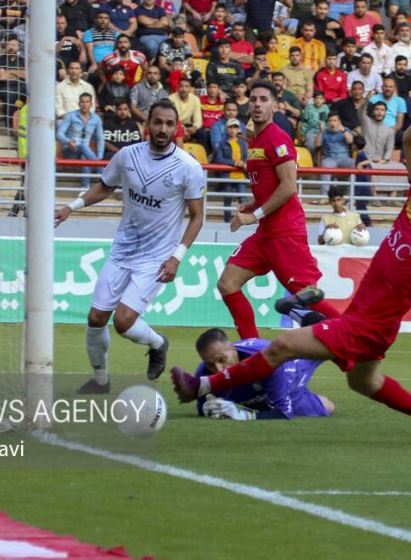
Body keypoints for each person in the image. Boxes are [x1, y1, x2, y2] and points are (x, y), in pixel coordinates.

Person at [171, 93, 411, 444]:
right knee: (364, 382)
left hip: (368, 326)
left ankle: (200, 385)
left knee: (282, 347)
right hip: (369, 320)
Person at [55, 99, 204, 393]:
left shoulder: (189, 167)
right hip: (122, 251)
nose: (163, 129)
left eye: (169, 124)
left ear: (177, 128)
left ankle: (158, 343)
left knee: (123, 322)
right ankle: (100, 381)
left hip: (156, 258)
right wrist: (71, 207)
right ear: (147, 124)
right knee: (96, 318)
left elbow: (197, 217)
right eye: (158, 122)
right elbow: (105, 187)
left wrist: (177, 257)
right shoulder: (127, 156)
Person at [214, 80, 344, 341]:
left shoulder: (278, 138)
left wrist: (254, 215)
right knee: (227, 283)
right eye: (253, 99)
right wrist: (254, 204)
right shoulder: (255, 140)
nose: (257, 104)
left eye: (263, 99)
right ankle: (250, 348)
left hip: (285, 232)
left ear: (275, 105)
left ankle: (354, 332)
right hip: (266, 234)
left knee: (307, 296)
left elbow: (288, 187)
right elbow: (270, 186)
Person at [193, 328, 334, 420]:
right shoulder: (204, 375)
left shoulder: (267, 362)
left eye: (222, 360)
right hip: (269, 393)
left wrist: (242, 415)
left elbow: (284, 413)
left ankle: (306, 316)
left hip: (292, 368)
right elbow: (203, 407)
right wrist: (209, 406)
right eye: (211, 364)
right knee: (328, 407)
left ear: (233, 349)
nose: (218, 370)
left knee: (334, 344)